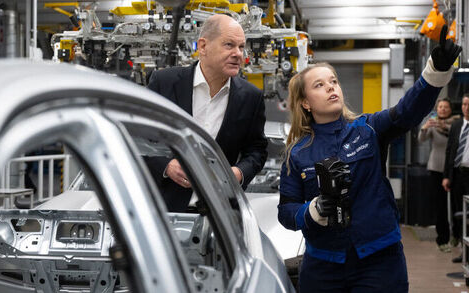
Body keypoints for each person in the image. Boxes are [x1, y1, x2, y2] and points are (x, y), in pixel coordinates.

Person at [278, 25, 461, 293]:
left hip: (379, 260)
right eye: (320, 85)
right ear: (305, 103)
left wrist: (435, 71)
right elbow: (286, 211)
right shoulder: (297, 154)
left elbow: (407, 111)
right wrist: (311, 211)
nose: (331, 88)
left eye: (333, 81)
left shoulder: (368, 129)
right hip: (323, 266)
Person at [147, 14, 268, 212]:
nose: (238, 53)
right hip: (162, 211)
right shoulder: (164, 83)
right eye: (229, 45)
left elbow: (257, 149)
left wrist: (238, 172)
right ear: (203, 46)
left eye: (241, 46)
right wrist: (166, 165)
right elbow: (138, 136)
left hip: (220, 216)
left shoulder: (250, 97)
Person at [418, 98, 457, 252]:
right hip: (436, 168)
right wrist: (424, 127)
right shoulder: (433, 124)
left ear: (450, 109)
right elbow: (421, 140)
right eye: (440, 107)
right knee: (440, 206)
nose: (442, 109)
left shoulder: (457, 124)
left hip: (454, 168)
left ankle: (458, 235)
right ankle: (443, 239)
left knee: (456, 204)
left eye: (445, 107)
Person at [442, 94, 469, 263]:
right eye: (465, 104)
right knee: (459, 214)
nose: (467, 107)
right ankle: (463, 251)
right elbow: (449, 151)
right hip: (458, 175)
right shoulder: (457, 125)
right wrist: (446, 176)